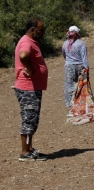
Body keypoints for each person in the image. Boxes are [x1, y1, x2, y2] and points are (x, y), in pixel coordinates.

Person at [14, 18, 48, 161]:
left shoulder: (30, 41)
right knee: (29, 119)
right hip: (28, 88)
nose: (43, 33)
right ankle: (25, 152)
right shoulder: (26, 42)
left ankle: (29, 148)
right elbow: (23, 55)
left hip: (31, 88)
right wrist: (29, 68)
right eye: (41, 30)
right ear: (33, 30)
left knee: (32, 118)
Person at [62, 26, 88, 107]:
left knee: (69, 85)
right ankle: (80, 103)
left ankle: (70, 104)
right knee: (80, 83)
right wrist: (86, 68)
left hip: (69, 66)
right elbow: (84, 57)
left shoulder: (65, 43)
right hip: (80, 65)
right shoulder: (81, 43)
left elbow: (64, 54)